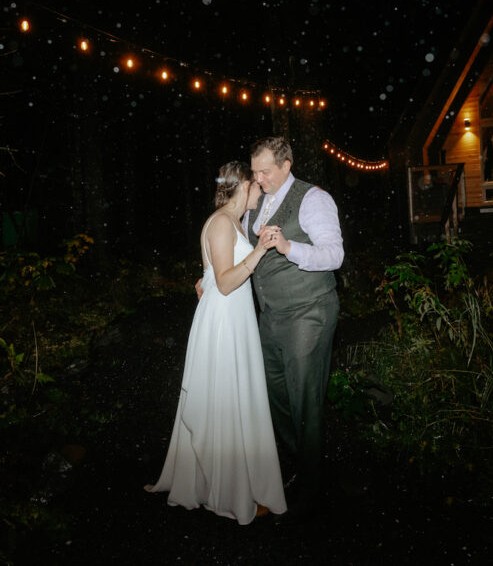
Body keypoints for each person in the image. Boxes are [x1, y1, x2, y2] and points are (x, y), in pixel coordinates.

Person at [145, 161, 287, 525]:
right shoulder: (223, 222)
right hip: (224, 322)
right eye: (256, 184)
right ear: (242, 187)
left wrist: (207, 279)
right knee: (226, 400)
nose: (260, 188)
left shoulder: (233, 222)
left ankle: (231, 483)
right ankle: (229, 493)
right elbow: (224, 282)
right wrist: (260, 250)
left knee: (236, 398)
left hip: (233, 317)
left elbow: (211, 277)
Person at [245, 136, 344, 517]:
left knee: (305, 400)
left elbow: (334, 255)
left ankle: (311, 490)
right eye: (254, 171)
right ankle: (299, 465)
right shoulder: (257, 200)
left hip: (308, 312)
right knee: (275, 398)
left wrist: (289, 248)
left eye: (265, 171)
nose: (259, 178)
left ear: (287, 165)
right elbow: (238, 245)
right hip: (270, 315)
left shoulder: (313, 198)